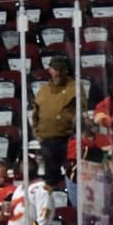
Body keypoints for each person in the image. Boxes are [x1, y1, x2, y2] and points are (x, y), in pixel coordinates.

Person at [30, 56, 78, 189]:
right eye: (55, 69)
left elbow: (82, 111)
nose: (58, 73)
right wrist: (37, 132)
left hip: (67, 140)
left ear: (66, 70)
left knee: (72, 175)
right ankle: (50, 199)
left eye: (61, 69)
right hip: (47, 141)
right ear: (50, 70)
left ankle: (71, 200)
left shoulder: (74, 88)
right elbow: (35, 112)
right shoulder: (43, 90)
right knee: (50, 177)